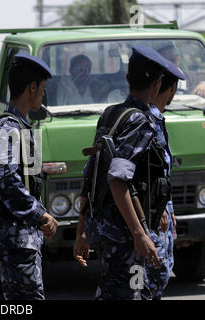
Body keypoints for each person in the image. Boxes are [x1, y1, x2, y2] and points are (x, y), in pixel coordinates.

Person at [73, 45, 171, 300]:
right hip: (127, 235)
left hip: (107, 230)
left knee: (117, 290)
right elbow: (117, 177)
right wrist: (140, 235)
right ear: (159, 83)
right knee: (133, 291)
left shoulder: (111, 113)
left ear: (127, 79)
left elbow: (91, 173)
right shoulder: (140, 121)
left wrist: (81, 229)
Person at [0, 53, 58, 300]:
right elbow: (4, 178)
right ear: (32, 87)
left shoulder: (17, 125)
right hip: (15, 240)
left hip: (15, 238)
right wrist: (39, 213)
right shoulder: (8, 127)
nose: (43, 95)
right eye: (42, 89)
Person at [142, 59, 184, 300]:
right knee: (150, 278)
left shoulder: (156, 119)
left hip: (158, 211)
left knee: (158, 275)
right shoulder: (147, 121)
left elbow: (160, 172)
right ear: (169, 89)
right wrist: (161, 207)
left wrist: (169, 207)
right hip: (150, 215)